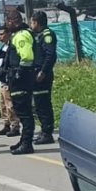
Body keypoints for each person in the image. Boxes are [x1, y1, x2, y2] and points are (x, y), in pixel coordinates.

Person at [8, 17, 36, 155]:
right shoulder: (19, 34)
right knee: (21, 111)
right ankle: (23, 140)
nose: (7, 24)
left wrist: (19, 73)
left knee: (25, 114)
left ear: (13, 21)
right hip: (19, 80)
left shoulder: (21, 35)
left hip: (21, 81)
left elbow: (27, 57)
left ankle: (27, 143)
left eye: (8, 21)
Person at [29, 11, 58, 144]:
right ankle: (43, 131)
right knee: (39, 104)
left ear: (36, 22)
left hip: (42, 75)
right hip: (36, 73)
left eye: (32, 22)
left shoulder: (47, 35)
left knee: (43, 104)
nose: (30, 24)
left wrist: (43, 71)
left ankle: (47, 133)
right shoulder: (38, 35)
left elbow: (50, 55)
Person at [0, 25, 20, 137]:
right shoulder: (3, 48)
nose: (0, 37)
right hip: (0, 80)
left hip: (7, 80)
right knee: (3, 104)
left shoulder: (12, 47)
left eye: (2, 34)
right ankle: (6, 124)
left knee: (10, 104)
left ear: (9, 34)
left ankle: (15, 126)